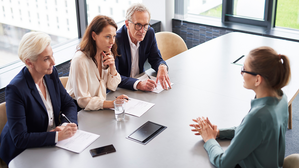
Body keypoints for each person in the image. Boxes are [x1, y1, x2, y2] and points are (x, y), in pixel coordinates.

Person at [190, 46, 291, 168]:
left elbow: (223, 163)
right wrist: (218, 133)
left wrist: (209, 139)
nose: (241, 72)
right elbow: (252, 131)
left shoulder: (258, 117)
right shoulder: (281, 97)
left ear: (258, 79)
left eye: (244, 69)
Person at [0, 32, 78, 165]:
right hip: (22, 152)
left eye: (52, 55)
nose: (53, 62)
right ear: (29, 62)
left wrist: (65, 126)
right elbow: (20, 139)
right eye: (46, 58)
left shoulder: (50, 74)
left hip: (51, 144)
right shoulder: (15, 89)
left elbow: (69, 104)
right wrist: (57, 136)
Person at [66, 15, 128, 111]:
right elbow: (82, 101)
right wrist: (112, 103)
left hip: (97, 108)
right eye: (108, 36)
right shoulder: (80, 60)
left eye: (114, 36)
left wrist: (112, 67)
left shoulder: (106, 53)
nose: (112, 41)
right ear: (94, 35)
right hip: (79, 112)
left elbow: (112, 86)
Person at [115, 3, 171, 91]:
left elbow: (155, 58)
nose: (142, 31)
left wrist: (162, 66)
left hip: (142, 84)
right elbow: (115, 77)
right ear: (127, 23)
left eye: (145, 25)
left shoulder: (149, 33)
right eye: (138, 25)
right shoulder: (115, 41)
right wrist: (138, 84)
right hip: (122, 90)